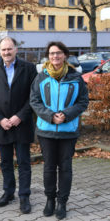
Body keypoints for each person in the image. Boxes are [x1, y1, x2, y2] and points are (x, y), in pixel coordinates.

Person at [30, 42, 89, 220]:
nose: (55, 56)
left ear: (65, 55)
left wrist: (66, 114)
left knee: (65, 167)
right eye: (52, 53)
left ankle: (62, 202)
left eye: (58, 53)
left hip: (68, 131)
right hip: (46, 130)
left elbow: (83, 101)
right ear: (49, 56)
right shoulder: (41, 77)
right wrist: (50, 116)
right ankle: (50, 200)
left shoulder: (75, 77)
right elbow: (34, 101)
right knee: (49, 168)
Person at [0, 37, 37, 213]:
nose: (6, 52)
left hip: (22, 124)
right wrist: (0, 119)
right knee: (5, 162)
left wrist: (19, 116)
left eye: (9, 49)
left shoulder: (29, 69)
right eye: (3, 50)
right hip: (2, 125)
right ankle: (8, 193)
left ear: (16, 49)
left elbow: (34, 96)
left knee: (23, 162)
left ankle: (24, 196)